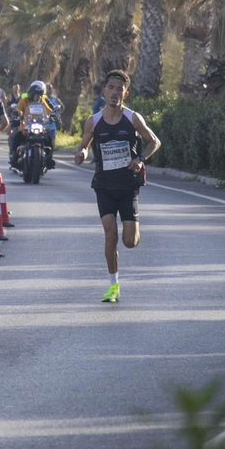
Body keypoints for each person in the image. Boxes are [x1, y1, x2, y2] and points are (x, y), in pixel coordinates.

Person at [75, 70, 161, 303]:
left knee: (128, 242)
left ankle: (134, 233)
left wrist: (140, 158)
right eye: (110, 88)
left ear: (126, 92)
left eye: (119, 89)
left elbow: (155, 141)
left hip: (128, 185)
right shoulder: (93, 120)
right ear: (104, 91)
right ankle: (113, 286)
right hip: (103, 185)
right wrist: (82, 153)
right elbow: (84, 144)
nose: (114, 92)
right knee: (110, 235)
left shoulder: (133, 118)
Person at [10, 79, 59, 170]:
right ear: (32, 93)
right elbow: (18, 109)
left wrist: (53, 115)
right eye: (36, 94)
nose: (38, 97)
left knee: (49, 140)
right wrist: (18, 113)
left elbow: (49, 110)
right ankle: (14, 158)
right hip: (26, 127)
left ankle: (49, 160)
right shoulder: (24, 101)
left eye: (40, 95)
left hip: (40, 127)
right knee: (16, 138)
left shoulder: (42, 101)